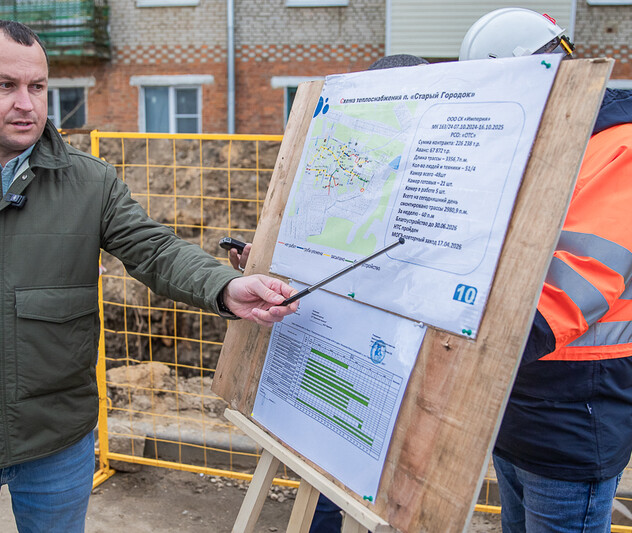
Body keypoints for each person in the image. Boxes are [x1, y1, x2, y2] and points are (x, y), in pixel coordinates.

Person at [0, 20, 298, 532]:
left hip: (58, 444)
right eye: (6, 85)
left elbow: (155, 250)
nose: (26, 103)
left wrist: (224, 286)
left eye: (38, 86)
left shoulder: (90, 181)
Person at [229, 53, 430, 533]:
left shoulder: (422, 179)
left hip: (392, 357)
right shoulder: (347, 162)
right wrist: (264, 260)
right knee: (318, 467)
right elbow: (317, 241)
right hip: (328, 344)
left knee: (379, 488)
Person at [460, 8, 632, 533]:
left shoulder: (617, 146)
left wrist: (466, 341)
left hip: (575, 403)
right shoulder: (539, 142)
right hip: (515, 397)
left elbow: (581, 280)